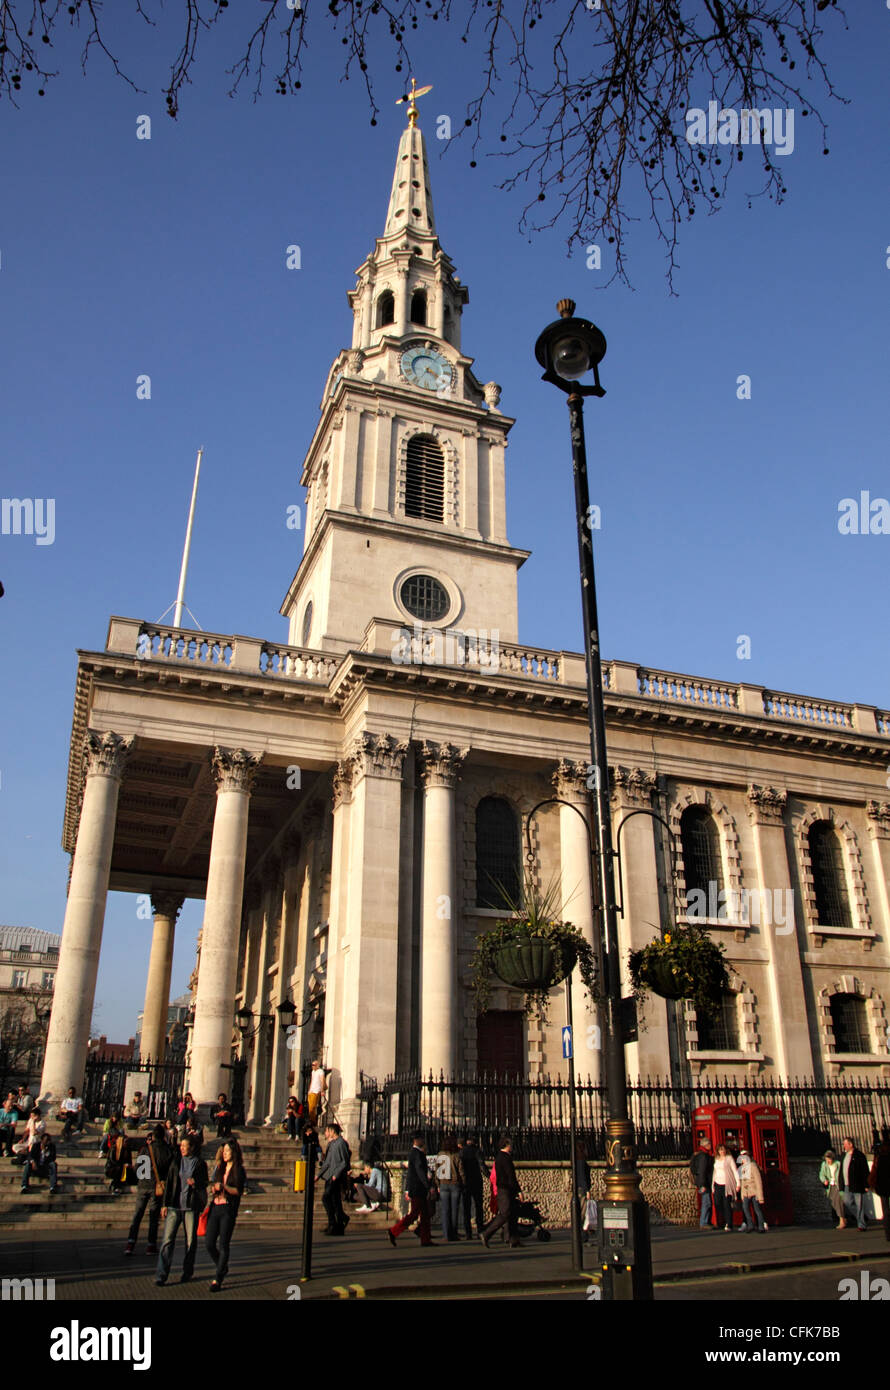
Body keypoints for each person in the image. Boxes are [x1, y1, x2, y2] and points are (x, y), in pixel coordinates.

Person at [156, 1135, 209, 1286]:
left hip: (191, 1206)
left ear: (192, 1147)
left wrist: (196, 1183)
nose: (183, 1148)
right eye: (181, 1146)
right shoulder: (176, 1162)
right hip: (174, 1205)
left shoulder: (199, 1164)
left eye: (186, 1146)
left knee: (190, 1241)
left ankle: (187, 1271)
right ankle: (161, 1274)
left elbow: (204, 1182)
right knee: (167, 1240)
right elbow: (170, 1182)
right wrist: (164, 1204)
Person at [125, 1123, 174, 1255]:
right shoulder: (167, 1150)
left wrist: (145, 1177)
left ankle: (130, 1243)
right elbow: (170, 1171)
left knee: (137, 1215)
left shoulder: (146, 1149)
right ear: (163, 1136)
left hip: (143, 1185)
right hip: (156, 1186)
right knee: (153, 1217)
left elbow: (138, 1170)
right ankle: (151, 1245)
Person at [205, 1138, 247, 1290]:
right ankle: (222, 1266)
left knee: (223, 1244)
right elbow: (212, 1184)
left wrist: (225, 1187)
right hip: (215, 1207)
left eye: (228, 1151)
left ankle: (218, 1278)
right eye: (224, 1151)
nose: (225, 1154)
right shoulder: (219, 1168)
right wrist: (214, 1188)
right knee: (209, 1243)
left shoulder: (239, 1170)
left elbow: (239, 1191)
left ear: (234, 1152)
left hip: (228, 1209)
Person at [388, 1133, 433, 1247]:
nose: (423, 1141)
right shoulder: (417, 1154)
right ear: (416, 1140)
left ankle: (425, 1239)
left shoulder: (415, 1153)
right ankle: (394, 1231)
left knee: (425, 1214)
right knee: (415, 1214)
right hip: (418, 1188)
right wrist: (427, 1184)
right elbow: (419, 1171)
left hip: (417, 1187)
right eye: (421, 1139)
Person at [481, 1136, 521, 1249]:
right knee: (505, 1214)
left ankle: (513, 1239)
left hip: (504, 1188)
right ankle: (486, 1234)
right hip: (505, 1189)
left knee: (512, 1214)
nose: (512, 1147)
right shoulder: (505, 1158)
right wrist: (518, 1190)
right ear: (507, 1145)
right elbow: (510, 1176)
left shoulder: (499, 1157)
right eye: (510, 1145)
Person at [318, 1122, 351, 1235]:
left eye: (327, 1131)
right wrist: (318, 1175)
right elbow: (327, 1162)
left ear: (332, 1131)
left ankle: (335, 1221)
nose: (325, 1133)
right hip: (329, 1176)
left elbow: (344, 1162)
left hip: (335, 1177)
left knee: (326, 1198)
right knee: (334, 1200)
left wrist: (336, 1174)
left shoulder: (341, 1143)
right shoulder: (331, 1144)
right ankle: (338, 1223)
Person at [433, 1135, 464, 1241]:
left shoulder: (440, 1155)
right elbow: (461, 1171)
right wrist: (463, 1182)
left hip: (443, 1183)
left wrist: (437, 1184)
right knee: (454, 1210)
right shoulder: (456, 1155)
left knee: (445, 1210)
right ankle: (453, 1233)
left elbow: (436, 1171)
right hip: (454, 1183)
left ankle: (446, 1234)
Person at [839, 1136, 869, 1231]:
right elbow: (841, 1170)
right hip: (847, 1184)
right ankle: (861, 1217)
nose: (844, 1146)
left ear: (850, 1144)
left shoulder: (859, 1155)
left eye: (845, 1144)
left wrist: (866, 1184)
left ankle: (861, 1225)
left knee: (859, 1204)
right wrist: (841, 1184)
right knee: (847, 1202)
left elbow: (865, 1170)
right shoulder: (844, 1155)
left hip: (857, 1184)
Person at [459, 1134, 485, 1240]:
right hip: (476, 1181)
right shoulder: (477, 1151)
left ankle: (468, 1233)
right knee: (479, 1207)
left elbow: (460, 1167)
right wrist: (489, 1176)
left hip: (466, 1183)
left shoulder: (462, 1152)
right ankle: (480, 1231)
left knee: (466, 1208)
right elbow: (482, 1165)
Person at [737, 1147, 768, 1232]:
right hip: (746, 1193)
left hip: (754, 1191)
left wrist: (760, 1196)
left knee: (757, 1209)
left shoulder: (753, 1166)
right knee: (745, 1208)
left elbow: (758, 1181)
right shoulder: (741, 1168)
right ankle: (750, 1225)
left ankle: (761, 1226)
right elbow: (742, 1183)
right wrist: (742, 1194)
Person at [712, 1143, 740, 1230]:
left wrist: (738, 1183)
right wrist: (712, 1185)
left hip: (726, 1184)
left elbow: (735, 1171)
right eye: (720, 1150)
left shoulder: (729, 1159)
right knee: (717, 1203)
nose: (722, 1151)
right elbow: (715, 1172)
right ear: (718, 1151)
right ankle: (721, 1222)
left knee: (726, 1204)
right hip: (717, 1183)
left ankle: (729, 1223)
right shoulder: (716, 1159)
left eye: (723, 1149)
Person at [689, 1136, 714, 1229]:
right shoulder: (703, 1156)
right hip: (704, 1182)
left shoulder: (700, 1154)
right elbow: (702, 1170)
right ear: (706, 1145)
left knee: (707, 1201)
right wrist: (702, 1184)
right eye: (709, 1144)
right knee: (706, 1202)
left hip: (702, 1181)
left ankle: (707, 1220)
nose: (711, 1145)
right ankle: (704, 1222)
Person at [868, 1138, 890, 1242]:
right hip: (885, 1185)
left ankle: (888, 1234)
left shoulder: (879, 1158)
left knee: (885, 1211)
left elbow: (874, 1172)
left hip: (882, 1187)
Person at [819, 1149, 845, 1229]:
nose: (828, 1161)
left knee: (838, 1202)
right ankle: (843, 1218)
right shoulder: (824, 1165)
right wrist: (824, 1180)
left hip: (838, 1185)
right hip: (831, 1186)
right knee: (834, 1202)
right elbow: (822, 1174)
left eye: (829, 1159)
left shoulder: (838, 1164)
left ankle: (842, 1220)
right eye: (826, 1159)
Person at [105, 1128, 133, 1195]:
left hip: (123, 1168)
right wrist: (123, 1165)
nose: (127, 1143)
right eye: (125, 1142)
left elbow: (130, 1162)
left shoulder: (128, 1150)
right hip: (112, 1168)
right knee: (119, 1170)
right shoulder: (114, 1149)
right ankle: (115, 1187)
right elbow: (112, 1161)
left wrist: (128, 1165)